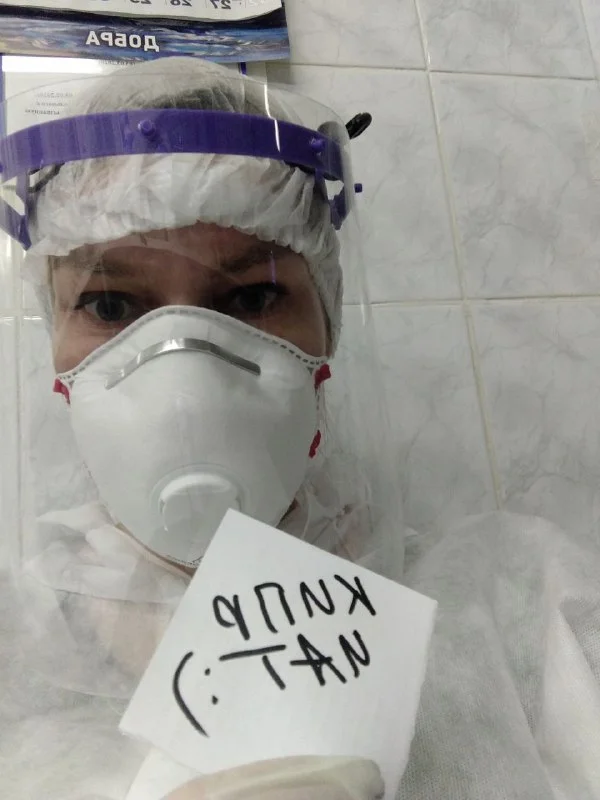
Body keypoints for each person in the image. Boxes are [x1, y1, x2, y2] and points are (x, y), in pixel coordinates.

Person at [2, 56, 600, 800]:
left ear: (328, 324)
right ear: (53, 342)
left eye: (252, 297)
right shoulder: (17, 646)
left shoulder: (520, 605)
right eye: (112, 306)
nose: (184, 385)